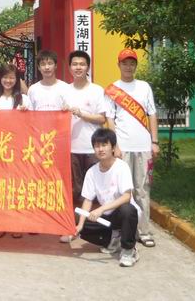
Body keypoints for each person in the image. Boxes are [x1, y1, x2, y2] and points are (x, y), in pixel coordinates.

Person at [105, 48, 159, 248]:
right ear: (118, 65)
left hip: (144, 146)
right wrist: (115, 146)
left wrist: (155, 141)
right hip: (123, 148)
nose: (128, 67)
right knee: (122, 190)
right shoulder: (112, 89)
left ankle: (143, 231)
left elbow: (152, 114)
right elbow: (110, 118)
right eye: (124, 63)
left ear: (135, 65)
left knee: (142, 189)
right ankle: (122, 231)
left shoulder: (144, 87)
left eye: (132, 63)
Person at [75, 128, 140, 267]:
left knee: (127, 209)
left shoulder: (121, 167)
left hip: (122, 214)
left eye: (104, 145)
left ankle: (129, 250)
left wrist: (101, 209)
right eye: (97, 146)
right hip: (107, 217)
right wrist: (80, 225)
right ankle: (113, 239)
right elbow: (88, 200)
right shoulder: (92, 172)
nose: (100, 149)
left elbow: (126, 197)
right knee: (81, 223)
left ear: (113, 148)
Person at [26, 50, 71, 243]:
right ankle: (38, 220)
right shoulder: (33, 89)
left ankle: (64, 224)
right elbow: (29, 117)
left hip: (60, 143)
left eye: (49, 63)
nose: (46, 67)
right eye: (43, 64)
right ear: (38, 67)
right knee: (39, 182)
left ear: (55, 65)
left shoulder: (65, 88)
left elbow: (70, 113)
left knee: (61, 184)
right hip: (39, 144)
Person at [0, 63, 31, 239]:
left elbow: (33, 125)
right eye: (5, 77)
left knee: (16, 186)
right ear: (0, 78)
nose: (8, 80)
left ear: (17, 79)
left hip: (18, 150)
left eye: (12, 77)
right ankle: (0, 222)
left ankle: (16, 223)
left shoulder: (24, 100)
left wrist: (26, 114)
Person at [66, 50, 108, 203]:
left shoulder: (97, 90)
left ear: (88, 67)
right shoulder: (64, 90)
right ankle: (76, 218)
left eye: (82, 64)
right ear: (69, 67)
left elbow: (102, 118)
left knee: (95, 191)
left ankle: (96, 218)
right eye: (75, 64)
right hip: (71, 149)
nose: (78, 67)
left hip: (93, 149)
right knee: (74, 191)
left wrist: (81, 114)